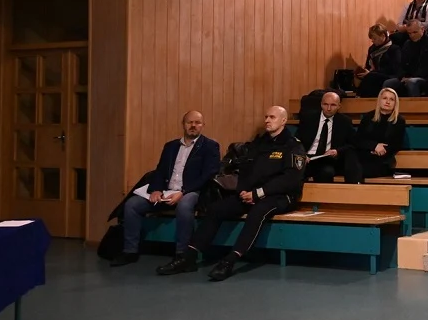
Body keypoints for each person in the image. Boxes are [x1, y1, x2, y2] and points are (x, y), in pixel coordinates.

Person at [163, 106, 308, 282]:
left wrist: (258, 193)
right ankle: (189, 257)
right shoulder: (259, 143)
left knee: (257, 213)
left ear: (284, 121)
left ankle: (229, 261)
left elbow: (290, 179)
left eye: (272, 117)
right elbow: (245, 169)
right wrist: (244, 190)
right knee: (216, 209)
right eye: (266, 117)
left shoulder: (293, 145)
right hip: (251, 193)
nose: (267, 120)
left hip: (279, 196)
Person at [115, 111, 220, 267]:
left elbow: (207, 175)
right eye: (189, 122)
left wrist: (183, 192)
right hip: (166, 191)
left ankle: (182, 254)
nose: (193, 126)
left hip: (192, 191)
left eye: (197, 123)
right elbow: (160, 171)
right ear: (183, 125)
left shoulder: (210, 146)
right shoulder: (170, 146)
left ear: (203, 125)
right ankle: (130, 251)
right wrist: (156, 189)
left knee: (184, 205)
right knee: (132, 204)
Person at [300, 91, 362, 184]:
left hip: (327, 160)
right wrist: (302, 154)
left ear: (339, 106)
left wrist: (337, 151)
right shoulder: (308, 118)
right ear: (321, 104)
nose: (328, 108)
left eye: (333, 105)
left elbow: (353, 144)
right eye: (325, 104)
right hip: (307, 158)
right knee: (294, 171)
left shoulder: (344, 122)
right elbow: (297, 140)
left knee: (326, 173)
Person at [352, 88, 407, 180]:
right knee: (353, 166)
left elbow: (396, 144)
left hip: (384, 159)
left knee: (362, 170)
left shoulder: (399, 121)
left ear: (395, 103)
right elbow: (358, 140)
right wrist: (374, 146)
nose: (388, 102)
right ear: (379, 100)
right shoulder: (368, 117)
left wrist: (381, 150)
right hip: (364, 155)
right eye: (385, 98)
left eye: (391, 99)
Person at [355, 24, 403, 97]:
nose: (372, 41)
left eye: (374, 38)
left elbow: (393, 68)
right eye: (371, 39)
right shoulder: (372, 49)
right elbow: (368, 65)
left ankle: (361, 97)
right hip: (374, 74)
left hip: (389, 75)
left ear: (383, 36)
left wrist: (372, 72)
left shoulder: (394, 49)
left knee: (371, 77)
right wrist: (365, 71)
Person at [397, 18, 428, 96]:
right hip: (408, 76)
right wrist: (402, 76)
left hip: (427, 77)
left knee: (412, 82)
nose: (412, 35)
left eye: (415, 32)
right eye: (409, 33)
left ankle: (414, 104)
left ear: (422, 29)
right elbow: (402, 64)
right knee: (389, 83)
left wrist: (412, 77)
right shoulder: (407, 44)